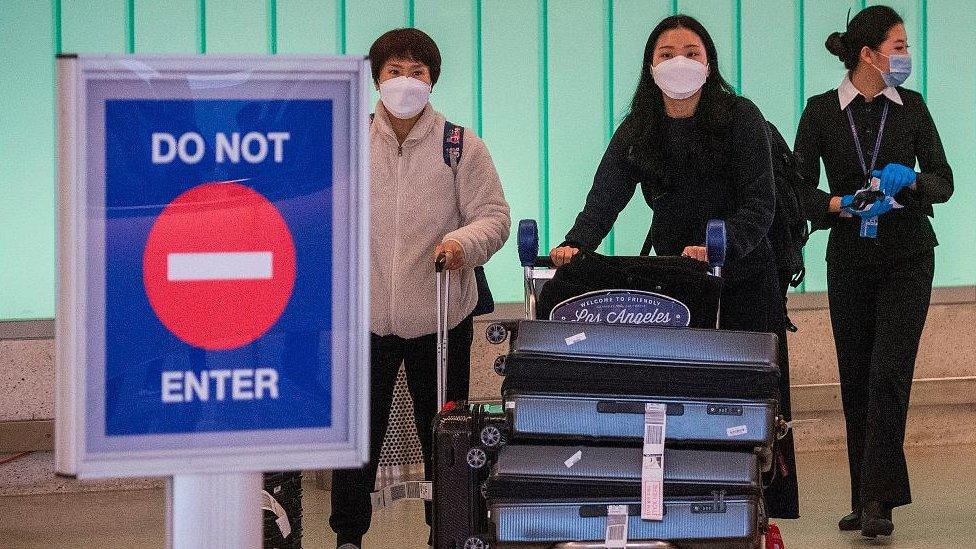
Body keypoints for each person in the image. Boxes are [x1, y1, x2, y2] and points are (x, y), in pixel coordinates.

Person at [548, 14, 799, 518]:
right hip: (675, 281)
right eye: (667, 53)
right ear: (650, 64)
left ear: (709, 63)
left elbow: (760, 202)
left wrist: (723, 245)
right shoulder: (639, 127)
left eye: (692, 52)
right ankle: (681, 504)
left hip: (745, 276)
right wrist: (574, 245)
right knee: (678, 399)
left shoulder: (740, 117)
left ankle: (758, 512)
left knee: (748, 397)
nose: (679, 61)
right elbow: (605, 199)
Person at [330, 28, 511, 549]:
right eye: (394, 72)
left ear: (431, 82)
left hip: (440, 319)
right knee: (356, 441)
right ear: (376, 79)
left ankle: (448, 532)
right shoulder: (349, 139)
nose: (405, 82)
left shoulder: (460, 145)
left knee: (446, 440)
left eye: (417, 73)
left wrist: (462, 243)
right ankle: (348, 535)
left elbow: (493, 217)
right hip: (364, 319)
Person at [793, 5, 952, 539]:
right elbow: (797, 193)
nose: (905, 56)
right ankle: (866, 495)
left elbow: (943, 180)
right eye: (899, 46)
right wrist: (837, 204)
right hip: (850, 258)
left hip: (908, 255)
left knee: (889, 374)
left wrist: (910, 184)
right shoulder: (820, 113)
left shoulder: (911, 108)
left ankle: (876, 498)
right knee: (857, 378)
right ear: (869, 54)